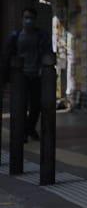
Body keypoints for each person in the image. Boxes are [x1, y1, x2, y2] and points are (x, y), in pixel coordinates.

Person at [2, 8, 47, 141]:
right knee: (21, 105)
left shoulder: (41, 35)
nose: (28, 21)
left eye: (31, 18)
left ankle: (29, 128)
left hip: (36, 75)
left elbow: (45, 52)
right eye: (26, 18)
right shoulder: (15, 36)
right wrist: (7, 77)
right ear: (22, 19)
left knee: (36, 105)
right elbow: (7, 56)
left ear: (35, 20)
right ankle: (25, 132)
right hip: (21, 76)